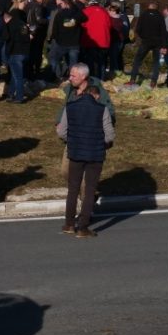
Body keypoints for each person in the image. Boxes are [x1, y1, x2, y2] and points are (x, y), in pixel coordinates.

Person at [56, 84, 115, 238]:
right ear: (96, 95)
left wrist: (73, 140)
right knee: (89, 190)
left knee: (73, 188)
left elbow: (61, 132)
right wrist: (101, 143)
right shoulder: (102, 109)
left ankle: (69, 224)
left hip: (75, 152)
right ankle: (83, 228)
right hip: (95, 154)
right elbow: (109, 135)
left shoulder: (70, 107)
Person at [128, 2, 167, 87]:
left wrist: (143, 36)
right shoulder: (160, 16)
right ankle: (153, 82)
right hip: (157, 42)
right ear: (156, 8)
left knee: (137, 60)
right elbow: (163, 32)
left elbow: (138, 29)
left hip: (146, 41)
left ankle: (133, 79)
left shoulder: (144, 14)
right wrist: (164, 45)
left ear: (149, 6)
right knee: (156, 62)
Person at [3, 0, 32, 102]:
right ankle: (10, 94)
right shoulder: (22, 23)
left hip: (15, 52)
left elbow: (7, 38)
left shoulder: (10, 25)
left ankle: (19, 97)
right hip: (24, 52)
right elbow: (27, 37)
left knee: (17, 77)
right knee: (15, 76)